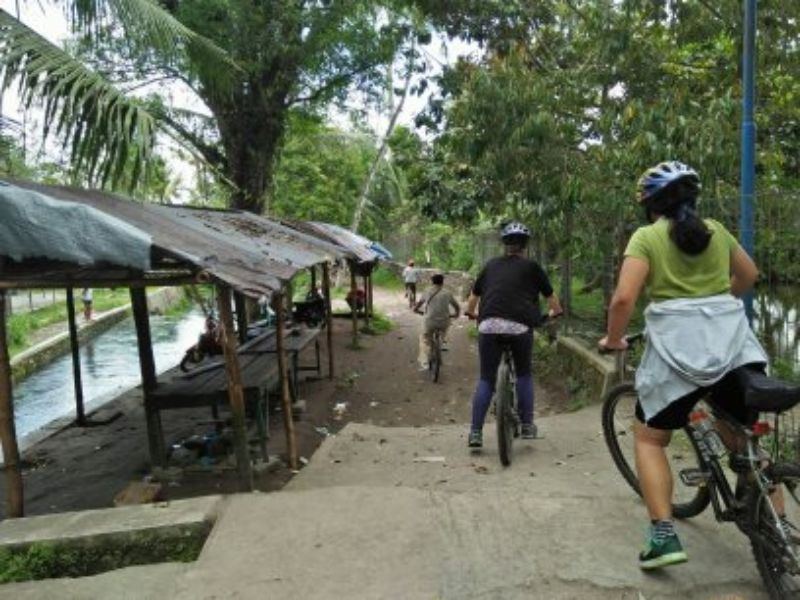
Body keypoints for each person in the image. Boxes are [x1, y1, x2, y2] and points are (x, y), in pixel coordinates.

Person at [598, 161, 769, 570]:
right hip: (734, 349)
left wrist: (614, 338)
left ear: (650, 205)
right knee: (745, 440)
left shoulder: (647, 237)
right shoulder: (716, 230)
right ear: (693, 197)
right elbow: (749, 275)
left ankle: (663, 537)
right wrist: (715, 300)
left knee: (650, 439)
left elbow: (624, 299)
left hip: (677, 355)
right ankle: (774, 521)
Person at [464, 222, 562, 448]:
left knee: (486, 379)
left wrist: (471, 313)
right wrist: (555, 313)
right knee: (524, 375)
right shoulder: (532, 267)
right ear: (525, 246)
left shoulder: (490, 266)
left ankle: (475, 433)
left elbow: (473, 297)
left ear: (504, 245)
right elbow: (552, 299)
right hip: (520, 327)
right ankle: (527, 425)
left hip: (488, 326)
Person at [415, 273, 460, 370]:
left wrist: (417, 310)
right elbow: (456, 306)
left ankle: (426, 358)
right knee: (445, 329)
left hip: (430, 321)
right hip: (444, 321)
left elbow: (418, 305)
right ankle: (442, 341)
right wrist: (456, 314)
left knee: (425, 338)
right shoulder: (448, 293)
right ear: (442, 282)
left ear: (432, 282)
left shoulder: (426, 291)